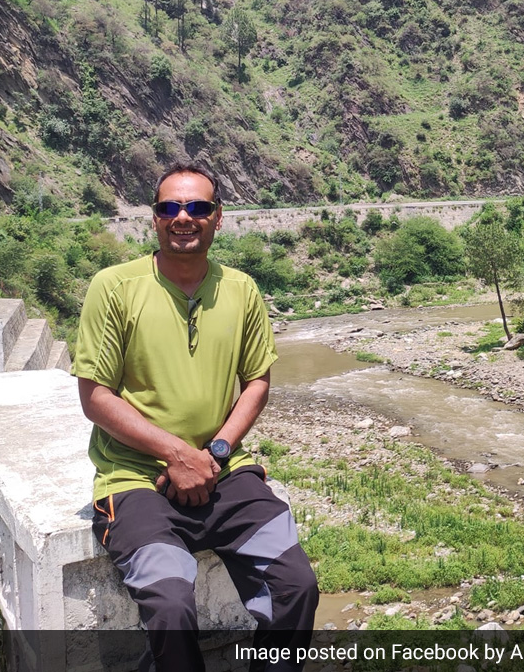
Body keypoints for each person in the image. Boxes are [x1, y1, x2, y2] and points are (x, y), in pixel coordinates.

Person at [73, 163, 318, 671]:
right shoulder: (114, 287)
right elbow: (95, 395)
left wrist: (217, 451)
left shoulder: (242, 289)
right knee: (169, 605)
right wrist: (176, 454)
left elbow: (257, 382)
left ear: (218, 218)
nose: (184, 217)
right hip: (136, 478)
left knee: (297, 584)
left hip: (225, 472)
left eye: (198, 208)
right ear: (155, 219)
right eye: (171, 208)